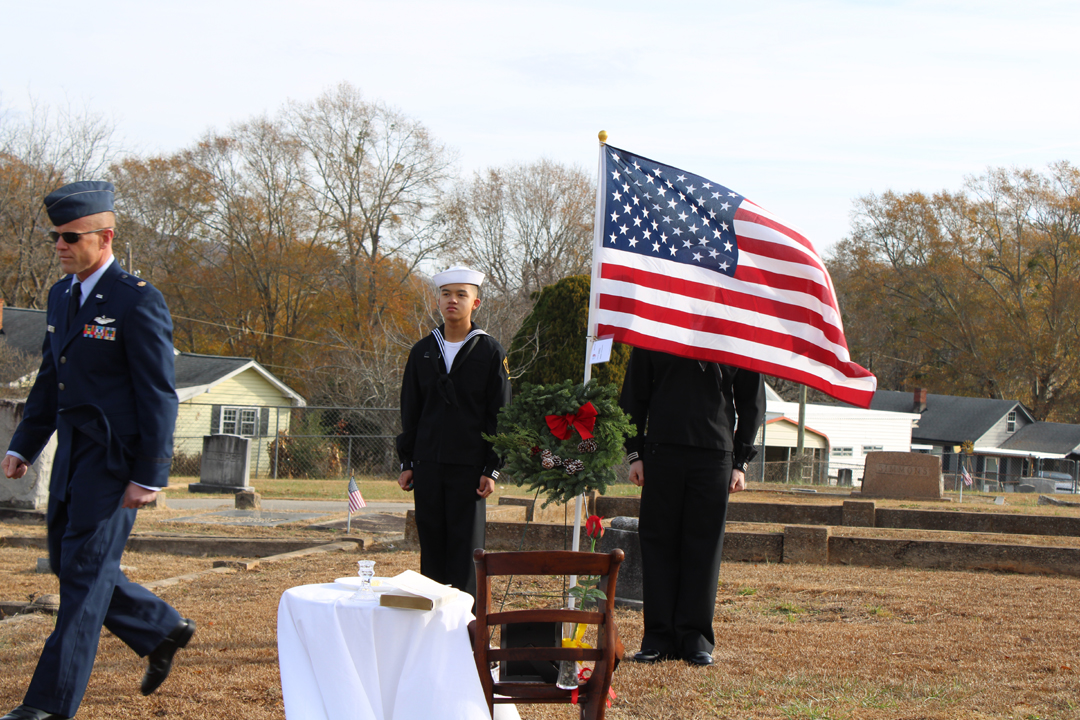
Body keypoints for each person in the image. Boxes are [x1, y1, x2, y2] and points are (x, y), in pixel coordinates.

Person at [1, 181, 194, 720]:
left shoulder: (137, 299)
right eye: (55, 237)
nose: (60, 245)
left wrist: (151, 474)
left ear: (104, 238)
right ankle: (160, 627)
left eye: (70, 236)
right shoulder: (62, 295)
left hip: (115, 459)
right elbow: (49, 381)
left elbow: (158, 392)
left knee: (83, 579)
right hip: (71, 454)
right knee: (70, 563)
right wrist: (24, 445)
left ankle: (46, 706)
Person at [618, 347, 765, 667]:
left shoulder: (736, 331)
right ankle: (657, 637)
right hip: (661, 452)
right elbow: (634, 393)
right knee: (658, 546)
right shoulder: (655, 323)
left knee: (703, 549)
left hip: (715, 455)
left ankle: (696, 638)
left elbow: (752, 402)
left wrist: (740, 461)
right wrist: (635, 453)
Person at [396, 266, 511, 599]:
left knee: (466, 552)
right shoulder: (421, 351)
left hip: (469, 469)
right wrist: (408, 461)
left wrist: (492, 467)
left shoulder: (489, 351)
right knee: (431, 550)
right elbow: (411, 411)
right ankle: (432, 630)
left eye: (462, 294)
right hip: (427, 465)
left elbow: (500, 414)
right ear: (438, 299)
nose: (453, 300)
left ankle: (467, 630)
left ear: (476, 303)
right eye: (447, 293)